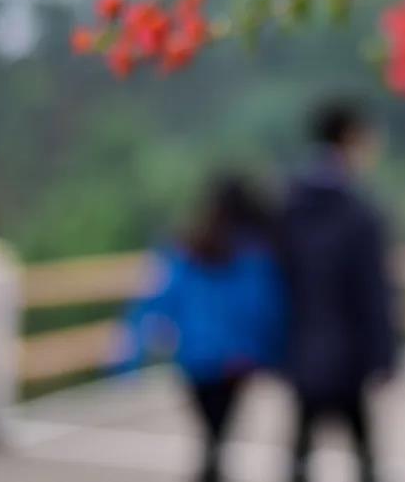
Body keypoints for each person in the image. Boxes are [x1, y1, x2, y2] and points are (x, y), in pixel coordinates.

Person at [117, 176, 285, 482]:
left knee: (211, 434)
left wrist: (131, 358)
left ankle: (211, 468)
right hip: (234, 360)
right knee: (217, 434)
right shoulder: (253, 255)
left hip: (193, 357)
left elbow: (155, 301)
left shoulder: (186, 247)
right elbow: (264, 308)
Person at [279, 101, 401, 482]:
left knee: (299, 451)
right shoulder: (359, 211)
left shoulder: (289, 202)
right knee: (363, 453)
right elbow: (374, 289)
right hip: (350, 352)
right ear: (349, 137)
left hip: (299, 345)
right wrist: (385, 354)